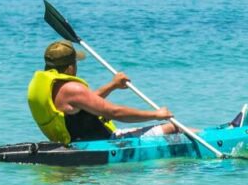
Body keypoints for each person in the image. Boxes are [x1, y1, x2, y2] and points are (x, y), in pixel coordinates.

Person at [26, 40, 179, 144]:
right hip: (106, 143)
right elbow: (115, 112)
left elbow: (85, 102)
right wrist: (156, 114)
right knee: (172, 128)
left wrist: (112, 85)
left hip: (74, 143)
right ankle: (202, 139)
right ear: (70, 68)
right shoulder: (72, 89)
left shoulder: (50, 87)